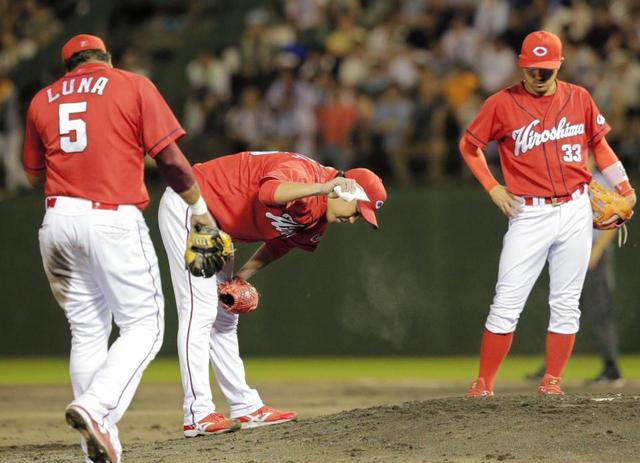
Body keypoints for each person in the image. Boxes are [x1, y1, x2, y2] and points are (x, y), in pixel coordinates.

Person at [22, 34, 214, 463]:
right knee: (145, 325)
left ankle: (96, 449)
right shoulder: (132, 84)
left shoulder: (41, 99)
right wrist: (198, 207)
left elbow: (34, 173)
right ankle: (96, 409)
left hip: (56, 220)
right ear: (106, 58)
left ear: (68, 65)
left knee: (87, 331)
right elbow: (169, 159)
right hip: (111, 216)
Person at [157, 150, 386, 436]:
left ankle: (244, 405)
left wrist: (241, 276)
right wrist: (323, 187)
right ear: (345, 192)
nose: (354, 220)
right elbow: (268, 191)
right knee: (199, 310)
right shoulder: (306, 174)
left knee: (226, 318)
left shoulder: (318, 220)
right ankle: (198, 412)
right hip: (191, 203)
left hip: (221, 226)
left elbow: (280, 244)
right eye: (357, 212)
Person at [458, 31, 636, 397]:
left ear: (559, 65)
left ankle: (552, 382)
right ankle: (483, 384)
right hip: (529, 213)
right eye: (534, 68)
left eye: (547, 68)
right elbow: (469, 145)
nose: (540, 75)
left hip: (575, 207)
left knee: (567, 303)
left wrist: (624, 187)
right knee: (507, 301)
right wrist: (493, 188)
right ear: (522, 65)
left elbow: (598, 144)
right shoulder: (501, 104)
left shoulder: (579, 97)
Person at [526, 168, 625, 387]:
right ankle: (549, 368)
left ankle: (612, 369)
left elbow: (615, 218)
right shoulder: (566, 180)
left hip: (593, 252)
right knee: (564, 307)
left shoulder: (599, 181)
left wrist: (597, 251)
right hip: (573, 249)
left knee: (600, 312)